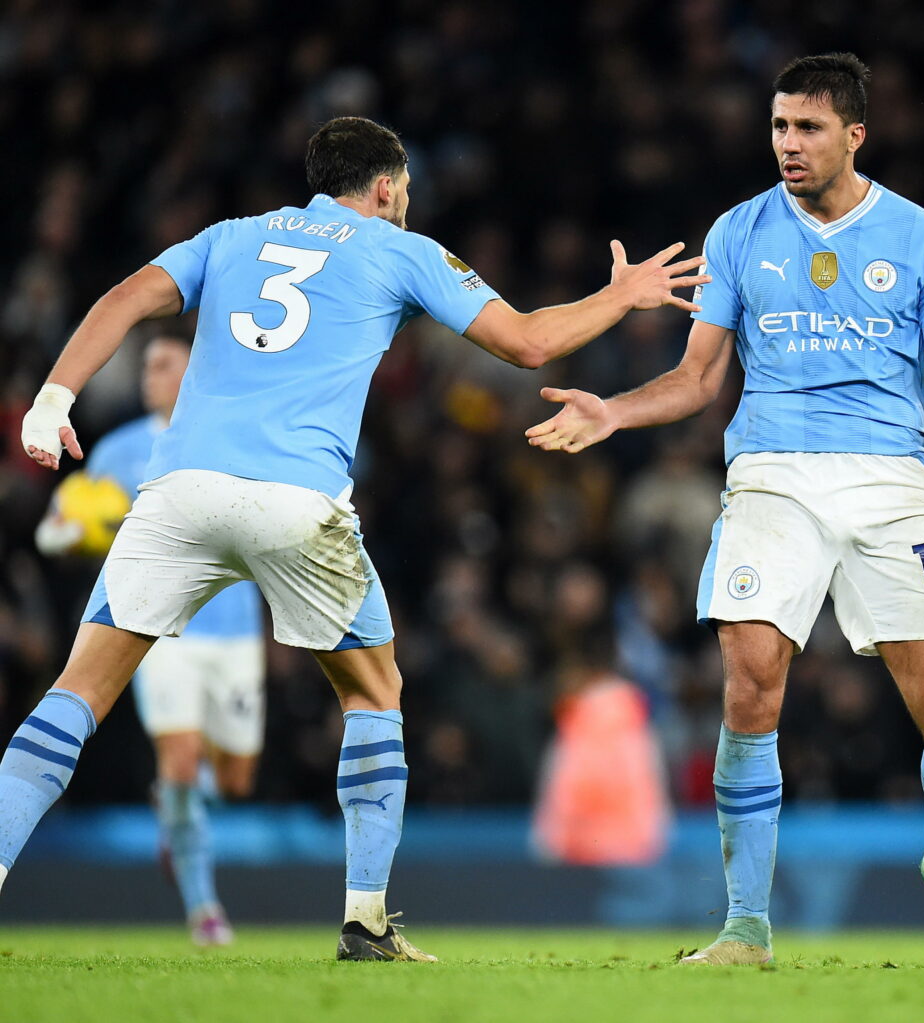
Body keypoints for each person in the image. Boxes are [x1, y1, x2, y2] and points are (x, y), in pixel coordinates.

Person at [4, 115, 708, 962]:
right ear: (384, 187)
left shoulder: (230, 236)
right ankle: (366, 921)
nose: (407, 203)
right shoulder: (398, 249)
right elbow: (528, 343)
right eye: (405, 190)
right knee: (374, 693)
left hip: (181, 489)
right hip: (297, 500)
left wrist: (52, 399)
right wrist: (621, 297)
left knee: (77, 692)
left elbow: (123, 297)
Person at [526, 53, 924, 967]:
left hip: (894, 484)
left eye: (809, 127)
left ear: (855, 134)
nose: (788, 143)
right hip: (771, 476)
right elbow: (697, 379)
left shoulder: (923, 239)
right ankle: (745, 926)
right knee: (751, 685)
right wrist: (614, 411)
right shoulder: (738, 232)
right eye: (780, 125)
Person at [35, 334, 265, 947]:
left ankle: (178, 807)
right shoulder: (121, 449)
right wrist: (78, 531)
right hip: (161, 631)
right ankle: (204, 910)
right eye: (147, 365)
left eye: (164, 364)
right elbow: (52, 530)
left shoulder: (236, 436)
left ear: (196, 370)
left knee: (236, 780)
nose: (149, 375)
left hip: (235, 627)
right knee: (182, 760)